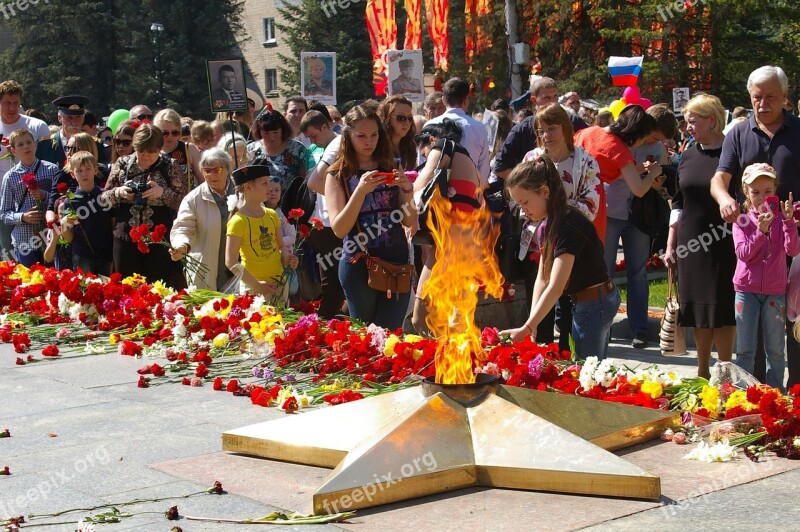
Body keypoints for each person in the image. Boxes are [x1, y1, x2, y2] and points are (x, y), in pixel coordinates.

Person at [711, 65, 800, 390]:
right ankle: (755, 395)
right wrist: (723, 198)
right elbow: (720, 178)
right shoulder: (738, 132)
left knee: (793, 327)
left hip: (792, 237)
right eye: (757, 97)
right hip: (753, 238)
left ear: (784, 97)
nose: (763, 103)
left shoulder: (798, 130)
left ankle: (793, 395)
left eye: (771, 97)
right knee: (752, 337)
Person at [500, 156, 620, 360]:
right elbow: (542, 278)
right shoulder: (546, 226)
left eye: (525, 201)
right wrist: (532, 323)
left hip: (596, 304)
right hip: (586, 302)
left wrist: (528, 327)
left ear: (545, 192)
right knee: (585, 368)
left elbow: (556, 286)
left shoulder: (568, 226)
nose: (523, 210)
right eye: (519, 204)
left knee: (587, 371)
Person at [325, 104, 415, 329]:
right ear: (348, 136)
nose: (369, 142)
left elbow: (410, 220)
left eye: (374, 135)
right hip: (358, 264)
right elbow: (339, 229)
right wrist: (360, 191)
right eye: (361, 136)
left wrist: (407, 189)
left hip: (396, 261)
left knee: (391, 335)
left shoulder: (391, 165)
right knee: (367, 336)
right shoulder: (337, 173)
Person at [666, 94, 736, 379]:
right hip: (691, 241)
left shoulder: (732, 154)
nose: (688, 127)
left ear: (712, 120)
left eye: (693, 121)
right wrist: (671, 242)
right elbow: (678, 200)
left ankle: (726, 371)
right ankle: (703, 370)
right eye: (686, 122)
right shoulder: (689, 154)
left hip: (725, 239)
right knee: (696, 306)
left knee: (722, 305)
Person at [521, 103, 602, 350]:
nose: (546, 135)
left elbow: (591, 203)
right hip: (538, 244)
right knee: (539, 302)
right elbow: (519, 198)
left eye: (552, 128)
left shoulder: (585, 161)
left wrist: (555, 212)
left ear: (566, 129)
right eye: (541, 130)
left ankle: (565, 359)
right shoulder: (532, 160)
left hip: (570, 244)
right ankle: (538, 354)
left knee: (567, 308)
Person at [601, 103, 675, 348]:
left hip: (639, 217)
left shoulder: (657, 146)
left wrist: (656, 177)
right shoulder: (620, 140)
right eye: (652, 136)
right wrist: (646, 177)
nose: (652, 141)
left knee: (638, 273)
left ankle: (639, 330)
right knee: (605, 273)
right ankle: (603, 328)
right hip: (611, 211)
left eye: (657, 139)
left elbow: (656, 184)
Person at [732, 163, 799, 393]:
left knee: (776, 350)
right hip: (746, 289)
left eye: (768, 191)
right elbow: (743, 254)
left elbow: (793, 251)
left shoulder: (781, 220)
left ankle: (776, 395)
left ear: (775, 190)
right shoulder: (742, 221)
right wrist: (760, 232)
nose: (762, 197)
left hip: (775, 290)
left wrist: (789, 223)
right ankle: (743, 396)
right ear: (746, 193)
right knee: (745, 350)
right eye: (756, 192)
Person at [411, 118, 483, 333]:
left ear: (431, 140)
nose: (425, 157)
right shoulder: (468, 161)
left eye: (424, 153)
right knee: (455, 323)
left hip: (448, 244)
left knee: (421, 320)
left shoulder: (442, 147)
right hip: (467, 243)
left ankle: (432, 361)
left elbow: (420, 185)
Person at [101, 123, 188, 285]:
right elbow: (103, 199)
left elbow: (184, 202)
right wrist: (119, 192)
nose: (146, 156)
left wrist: (162, 193)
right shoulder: (122, 164)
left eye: (152, 152)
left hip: (158, 239)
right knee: (125, 285)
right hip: (126, 236)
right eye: (141, 152)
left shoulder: (170, 166)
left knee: (158, 286)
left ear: (159, 149)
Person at [574, 105, 660, 243]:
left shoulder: (587, 132)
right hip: (592, 205)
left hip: (569, 199)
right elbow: (639, 190)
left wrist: (636, 169)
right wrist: (652, 173)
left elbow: (597, 169)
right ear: (636, 134)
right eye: (643, 139)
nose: (642, 143)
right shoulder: (620, 152)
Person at [225, 165, 299, 301]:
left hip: (279, 282)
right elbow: (230, 262)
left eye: (269, 182)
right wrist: (257, 285)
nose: (269, 188)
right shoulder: (238, 221)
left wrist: (289, 259)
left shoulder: (271, 215)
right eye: (264, 183)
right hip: (253, 289)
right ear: (248, 187)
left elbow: (280, 247)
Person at [494, 77, 587, 181]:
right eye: (547, 98)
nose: (553, 102)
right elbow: (500, 167)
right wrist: (529, 185)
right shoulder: (521, 130)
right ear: (534, 100)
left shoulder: (574, 121)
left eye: (555, 96)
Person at [299, 110, 345, 319]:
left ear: (325, 126)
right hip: (325, 224)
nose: (312, 141)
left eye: (314, 136)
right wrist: (345, 198)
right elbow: (314, 182)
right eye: (309, 138)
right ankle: (326, 322)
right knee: (334, 280)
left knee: (334, 280)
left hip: (327, 222)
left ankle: (327, 322)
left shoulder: (335, 145)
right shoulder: (332, 147)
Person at [170, 148, 236, 290]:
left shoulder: (243, 192)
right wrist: (181, 245)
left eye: (217, 170)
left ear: (227, 169)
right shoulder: (193, 199)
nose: (212, 175)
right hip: (207, 269)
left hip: (240, 267)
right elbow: (183, 227)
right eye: (207, 170)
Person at [0, 80, 51, 260]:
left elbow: (48, 167)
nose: (12, 107)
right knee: (8, 258)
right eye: (7, 103)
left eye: (16, 103)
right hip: (6, 203)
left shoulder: (37, 126)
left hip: (39, 205)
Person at [0, 129, 61, 266]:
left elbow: (61, 201)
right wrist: (22, 217)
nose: (26, 147)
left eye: (29, 142)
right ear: (13, 151)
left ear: (35, 145)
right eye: (20, 144)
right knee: (30, 283)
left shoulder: (52, 169)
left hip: (49, 238)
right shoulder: (10, 177)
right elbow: (4, 213)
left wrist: (45, 195)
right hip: (24, 242)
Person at [425, 78, 490, 184]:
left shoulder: (429, 125)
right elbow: (483, 167)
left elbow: (423, 162)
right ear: (466, 100)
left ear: (444, 100)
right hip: (468, 191)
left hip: (435, 191)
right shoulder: (478, 128)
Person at [60, 151, 113, 275]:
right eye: (79, 171)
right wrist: (64, 225)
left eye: (88, 169)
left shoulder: (105, 196)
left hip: (106, 253)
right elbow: (69, 237)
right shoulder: (70, 201)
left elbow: (113, 225)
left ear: (95, 170)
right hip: (82, 255)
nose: (84, 174)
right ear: (73, 174)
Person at [36, 95, 110, 169]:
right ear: (59, 118)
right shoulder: (44, 147)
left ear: (83, 119)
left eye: (78, 117)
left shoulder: (95, 145)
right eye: (69, 117)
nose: (74, 122)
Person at [248, 108, 308, 191]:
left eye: (275, 132)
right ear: (259, 131)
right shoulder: (251, 150)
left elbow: (304, 180)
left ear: (282, 130)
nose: (271, 137)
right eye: (266, 133)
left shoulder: (297, 149)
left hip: (291, 201)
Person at [154, 109, 204, 190]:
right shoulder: (150, 151)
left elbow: (203, 181)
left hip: (187, 201)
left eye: (175, 133)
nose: (170, 137)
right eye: (165, 133)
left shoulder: (189, 149)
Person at [377, 96, 417, 171]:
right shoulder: (377, 145)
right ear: (387, 118)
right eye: (401, 118)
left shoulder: (410, 146)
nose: (407, 123)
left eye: (410, 118)